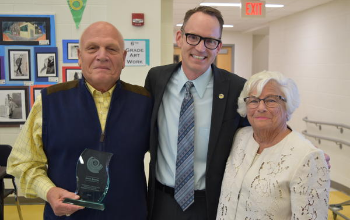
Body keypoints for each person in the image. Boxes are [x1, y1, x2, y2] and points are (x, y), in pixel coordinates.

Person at [7, 21, 152, 220]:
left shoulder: (145, 102)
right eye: (92, 48)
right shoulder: (50, 102)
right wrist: (48, 191)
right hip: (67, 217)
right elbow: (23, 162)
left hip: (129, 214)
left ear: (124, 57)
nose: (102, 55)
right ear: (79, 57)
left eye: (111, 48)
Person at [145, 6, 248, 220]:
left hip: (210, 204)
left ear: (218, 47)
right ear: (179, 37)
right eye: (193, 37)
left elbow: (260, 128)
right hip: (161, 202)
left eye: (210, 41)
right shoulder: (156, 79)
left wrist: (294, 150)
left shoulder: (236, 88)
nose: (201, 48)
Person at [216, 71, 330, 219]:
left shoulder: (307, 156)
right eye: (254, 100)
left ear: (287, 105)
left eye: (271, 100)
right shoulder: (240, 137)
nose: (261, 107)